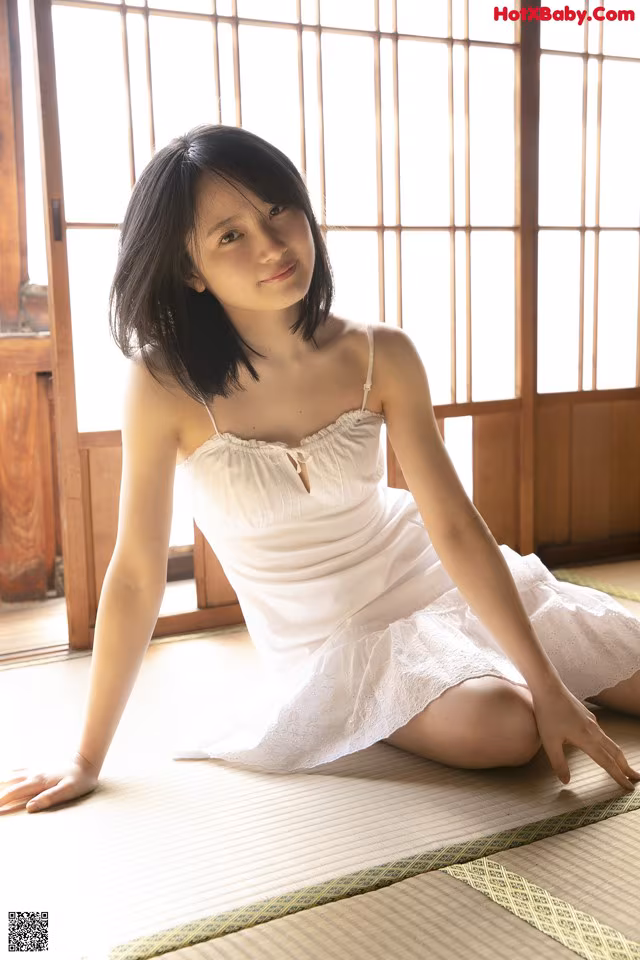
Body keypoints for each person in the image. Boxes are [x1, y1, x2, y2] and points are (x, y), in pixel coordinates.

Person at [2, 123, 639, 815]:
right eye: (230, 235)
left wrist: (550, 682)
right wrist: (86, 755)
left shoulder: (381, 352)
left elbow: (453, 525)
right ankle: (516, 684)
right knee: (508, 729)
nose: (272, 245)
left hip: (428, 571)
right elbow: (134, 573)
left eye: (278, 210)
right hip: (333, 639)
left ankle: (534, 670)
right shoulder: (164, 383)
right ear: (190, 270)